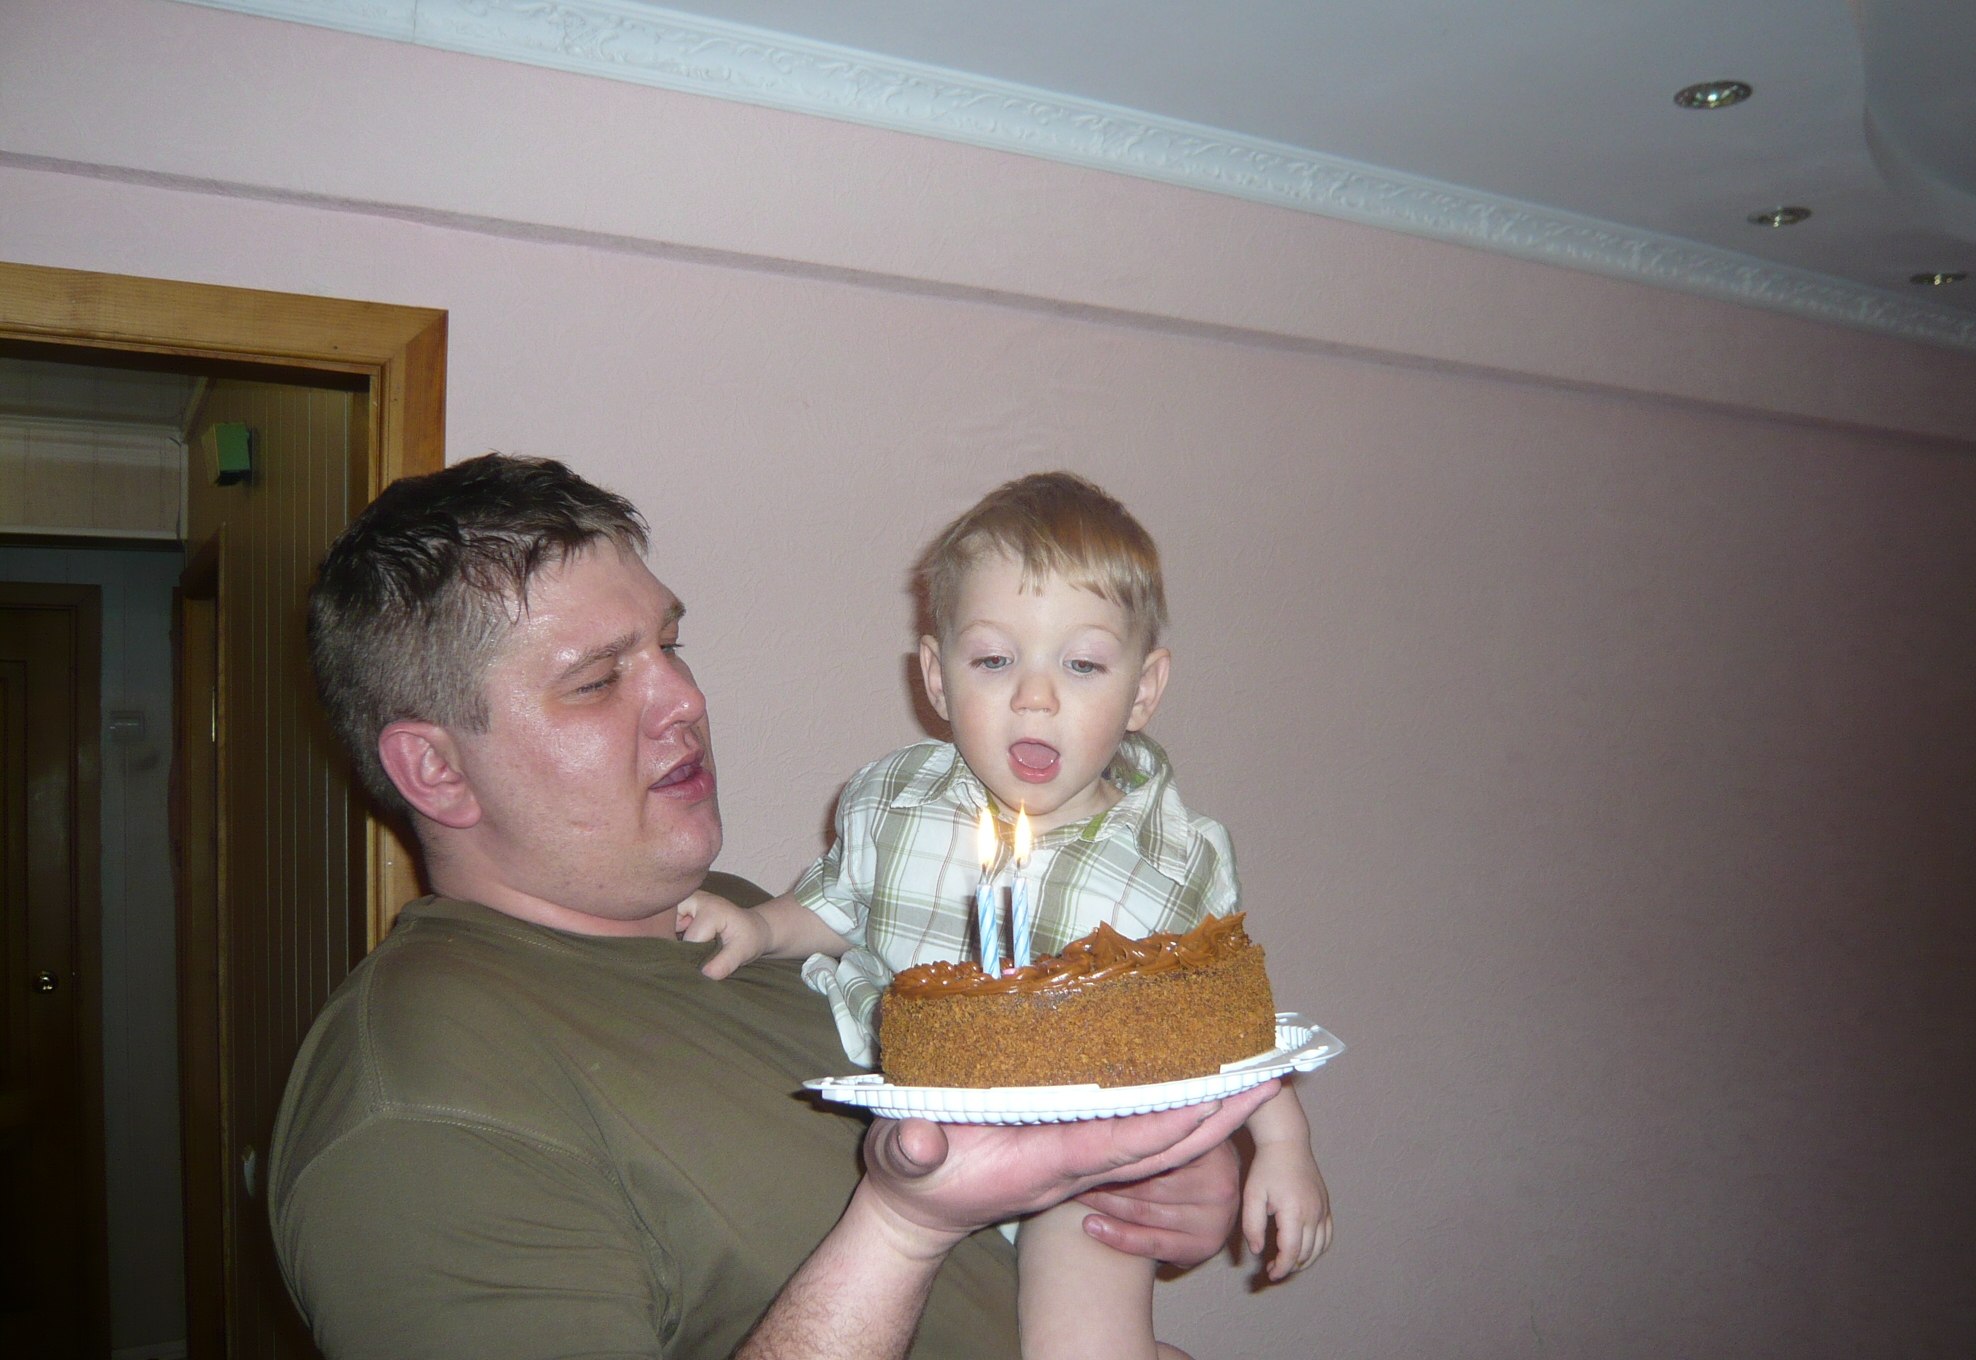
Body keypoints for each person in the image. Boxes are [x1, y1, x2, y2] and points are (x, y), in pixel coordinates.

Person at [268, 453, 1275, 1360]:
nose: (684, 699)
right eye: (599, 679)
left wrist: (1141, 1187)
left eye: (669, 643)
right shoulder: (411, 1110)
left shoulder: (759, 919)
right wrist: (900, 1227)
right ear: (438, 770)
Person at [680, 472, 1330, 1360]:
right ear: (936, 676)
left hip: (1088, 1162)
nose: (1035, 697)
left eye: (1082, 665)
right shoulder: (897, 805)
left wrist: (1284, 1145)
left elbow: (1226, 1020)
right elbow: (838, 906)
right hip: (915, 1127)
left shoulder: (1173, 857)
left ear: (1144, 690)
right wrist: (760, 929)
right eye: (993, 661)